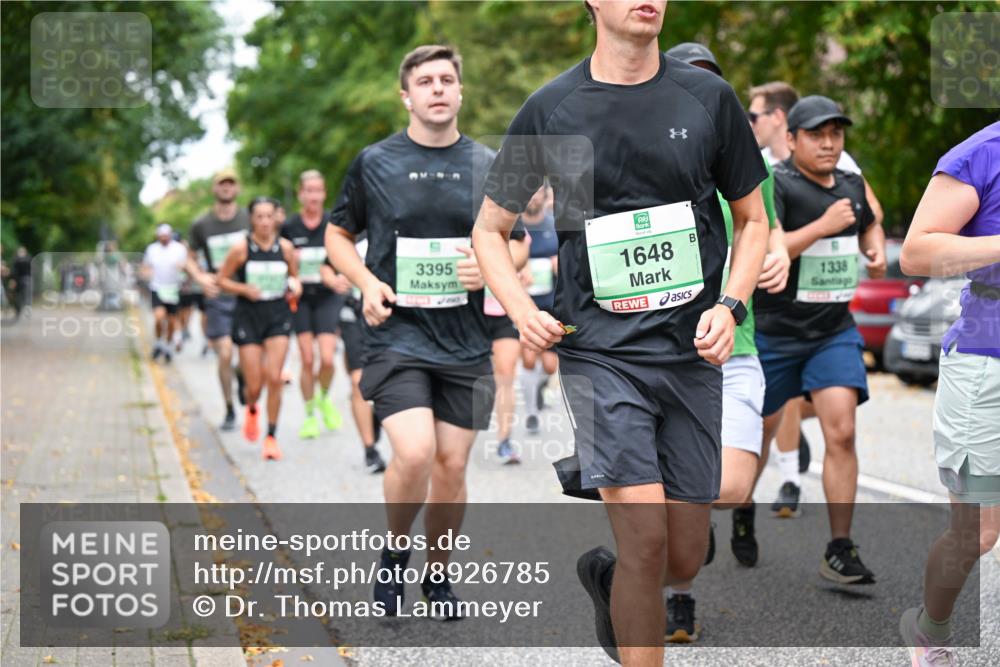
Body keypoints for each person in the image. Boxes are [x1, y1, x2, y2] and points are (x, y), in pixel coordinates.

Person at [474, 2, 770, 662]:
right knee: (644, 540)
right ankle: (630, 581)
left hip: (691, 354)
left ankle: (612, 581)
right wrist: (522, 308)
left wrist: (730, 305)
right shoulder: (553, 107)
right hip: (601, 354)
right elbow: (490, 230)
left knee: (683, 554)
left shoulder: (707, 98)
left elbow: (752, 219)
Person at [326, 44, 528, 620]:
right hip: (398, 337)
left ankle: (437, 574)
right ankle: (394, 554)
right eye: (425, 81)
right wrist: (365, 281)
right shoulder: (375, 162)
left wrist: (494, 263)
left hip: (466, 342)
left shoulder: (490, 165)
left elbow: (517, 241)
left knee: (452, 466)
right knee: (414, 454)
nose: (437, 88)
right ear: (407, 96)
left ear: (460, 92)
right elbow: (338, 236)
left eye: (447, 80)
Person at [659, 41, 790, 643]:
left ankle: (684, 525)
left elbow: (765, 226)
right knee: (663, 517)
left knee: (731, 487)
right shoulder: (650, 161)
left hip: (733, 349)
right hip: (656, 355)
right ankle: (676, 594)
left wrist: (781, 250)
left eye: (711, 84)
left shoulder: (742, 165)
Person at [752, 95, 886, 587]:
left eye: (836, 134)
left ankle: (839, 547)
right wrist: (824, 226)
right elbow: (772, 246)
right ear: (791, 140)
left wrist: (873, 250)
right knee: (760, 435)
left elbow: (870, 224)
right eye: (816, 134)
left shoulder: (850, 185)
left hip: (832, 331)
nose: (829, 143)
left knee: (842, 432)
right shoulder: (777, 184)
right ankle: (742, 507)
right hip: (775, 334)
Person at [897, 122, 1000, 667]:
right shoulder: (981, 155)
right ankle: (929, 627)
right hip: (987, 363)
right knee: (977, 533)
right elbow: (915, 253)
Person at [217, 197, 301, 460]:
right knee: (255, 386)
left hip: (278, 315)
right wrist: (244, 289)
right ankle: (252, 407)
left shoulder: (286, 249)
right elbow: (221, 280)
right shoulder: (241, 249)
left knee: (274, 378)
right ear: (251, 219)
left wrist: (295, 286)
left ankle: (271, 437)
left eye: (269, 216)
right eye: (259, 217)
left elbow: (294, 278)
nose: (265, 222)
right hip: (248, 317)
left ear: (276, 218)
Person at [281, 170, 349, 439]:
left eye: (318, 190)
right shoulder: (289, 226)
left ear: (323, 193)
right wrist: (290, 279)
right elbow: (281, 262)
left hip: (328, 296)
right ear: (301, 194)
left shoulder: (334, 222)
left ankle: (323, 397)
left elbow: (345, 255)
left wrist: (338, 275)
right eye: (308, 190)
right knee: (308, 360)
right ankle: (309, 415)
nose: (313, 195)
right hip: (301, 299)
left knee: (329, 359)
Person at [186, 169, 251, 431]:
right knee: (224, 353)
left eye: (231, 183)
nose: (226, 188)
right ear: (214, 189)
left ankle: (242, 376)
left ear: (237, 189)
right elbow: (188, 257)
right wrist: (201, 278)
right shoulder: (202, 224)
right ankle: (229, 408)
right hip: (218, 296)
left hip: (246, 294)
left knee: (247, 359)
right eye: (221, 184)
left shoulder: (249, 218)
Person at [339, 236, 388, 474]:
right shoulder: (350, 234)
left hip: (393, 315)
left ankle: (377, 413)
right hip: (356, 314)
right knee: (359, 381)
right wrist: (336, 279)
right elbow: (328, 268)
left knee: (385, 381)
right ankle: (370, 449)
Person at [518, 185, 559, 435]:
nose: (532, 197)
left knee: (551, 366)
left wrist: (558, 263)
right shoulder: (514, 226)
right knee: (529, 359)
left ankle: (541, 390)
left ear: (545, 197)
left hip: (550, 301)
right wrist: (519, 268)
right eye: (529, 192)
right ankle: (532, 414)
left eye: (537, 193)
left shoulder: (554, 224)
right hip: (523, 303)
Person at [142, 224, 188, 363]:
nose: (164, 238)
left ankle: (167, 346)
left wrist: (182, 269)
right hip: (157, 287)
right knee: (159, 317)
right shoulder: (152, 249)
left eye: (166, 236)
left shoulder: (179, 249)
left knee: (172, 321)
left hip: (173, 288)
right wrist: (146, 274)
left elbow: (186, 266)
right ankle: (158, 343)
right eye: (161, 236)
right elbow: (145, 267)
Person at [11, 246, 32, 320]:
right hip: (19, 280)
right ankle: (20, 310)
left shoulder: (18, 259)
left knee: (25, 295)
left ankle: (25, 310)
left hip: (24, 279)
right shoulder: (27, 259)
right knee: (20, 296)